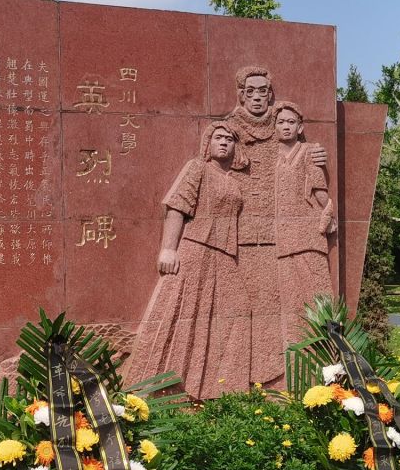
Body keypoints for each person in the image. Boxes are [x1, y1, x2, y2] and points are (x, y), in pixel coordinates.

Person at [125, 122, 251, 400]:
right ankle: (161, 388)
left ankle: (217, 389)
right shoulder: (197, 168)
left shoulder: (234, 181)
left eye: (229, 139)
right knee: (184, 314)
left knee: (238, 311)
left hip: (225, 254)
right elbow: (177, 207)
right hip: (196, 249)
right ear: (208, 143)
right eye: (218, 137)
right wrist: (168, 249)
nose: (224, 143)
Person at [225, 66, 329, 388]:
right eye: (250, 92)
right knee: (248, 306)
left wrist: (314, 152)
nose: (257, 98)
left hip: (282, 237)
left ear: (270, 95)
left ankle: (282, 376)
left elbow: (303, 159)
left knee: (283, 307)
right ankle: (246, 376)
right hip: (243, 232)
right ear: (241, 95)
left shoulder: (283, 132)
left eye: (263, 91)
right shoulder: (229, 130)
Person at [272, 100, 337, 347]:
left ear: (300, 127)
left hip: (309, 236)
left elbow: (319, 189)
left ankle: (329, 347)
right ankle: (295, 349)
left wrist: (328, 213)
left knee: (318, 292)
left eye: (291, 122)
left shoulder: (309, 152)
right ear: (274, 127)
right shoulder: (272, 157)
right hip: (284, 239)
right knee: (290, 299)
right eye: (281, 122)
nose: (286, 126)